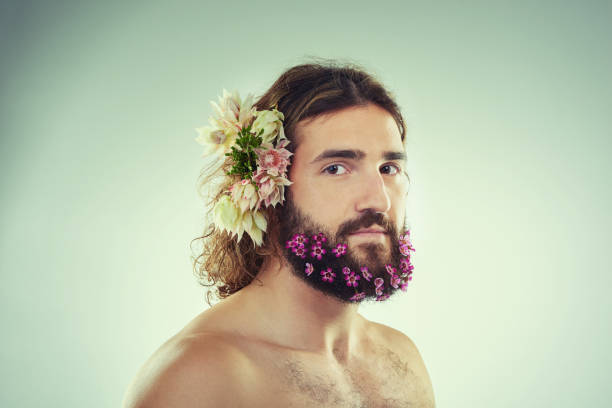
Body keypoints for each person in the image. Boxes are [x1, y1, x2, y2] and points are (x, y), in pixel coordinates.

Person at [123, 61, 436, 407]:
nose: (378, 199)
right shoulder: (198, 379)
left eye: (389, 168)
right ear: (266, 191)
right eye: (336, 168)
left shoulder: (402, 360)